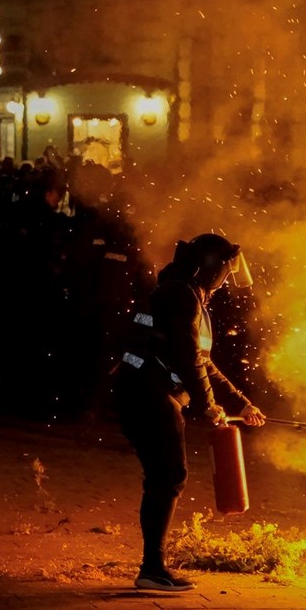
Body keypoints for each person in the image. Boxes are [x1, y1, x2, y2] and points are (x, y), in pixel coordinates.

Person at [114, 232, 266, 591]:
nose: (226, 280)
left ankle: (153, 568)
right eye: (225, 271)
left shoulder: (185, 292)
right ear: (210, 268)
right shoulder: (182, 296)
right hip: (149, 393)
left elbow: (202, 360)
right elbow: (187, 358)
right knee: (168, 476)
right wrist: (208, 405)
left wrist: (240, 402)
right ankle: (152, 570)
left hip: (148, 391)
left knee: (166, 476)